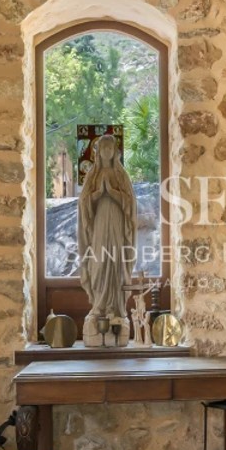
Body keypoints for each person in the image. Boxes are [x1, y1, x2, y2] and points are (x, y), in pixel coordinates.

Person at [78, 132, 136, 344]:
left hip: (117, 225)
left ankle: (115, 308)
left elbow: (130, 204)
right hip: (99, 226)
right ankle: (99, 306)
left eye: (110, 149)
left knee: (116, 263)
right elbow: (84, 204)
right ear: (98, 152)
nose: (107, 152)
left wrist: (112, 192)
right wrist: (96, 195)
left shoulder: (122, 176)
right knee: (100, 263)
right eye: (103, 149)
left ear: (115, 152)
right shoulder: (92, 176)